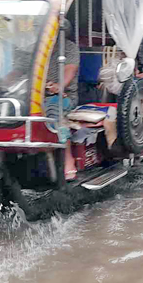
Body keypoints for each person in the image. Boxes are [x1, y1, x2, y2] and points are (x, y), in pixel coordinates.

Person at [45, 19, 80, 180]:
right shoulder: (38, 50)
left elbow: (69, 71)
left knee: (54, 109)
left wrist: (59, 86)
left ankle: (67, 159)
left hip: (64, 97)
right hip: (35, 96)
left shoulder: (70, 48)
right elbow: (19, 71)